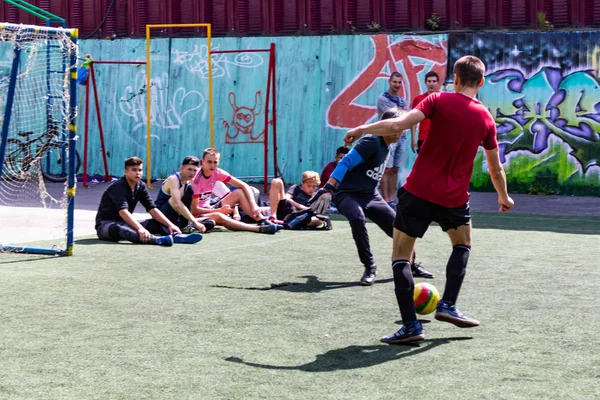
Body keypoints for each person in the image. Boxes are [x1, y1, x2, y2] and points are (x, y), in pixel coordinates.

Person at [343, 56, 514, 343]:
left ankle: (411, 327)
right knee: (462, 245)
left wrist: (362, 129)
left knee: (401, 256)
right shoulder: (486, 118)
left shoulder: (437, 100)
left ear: (455, 79)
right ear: (481, 82)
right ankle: (448, 305)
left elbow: (397, 124)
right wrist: (504, 196)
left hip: (418, 192)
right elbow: (495, 168)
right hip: (454, 198)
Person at [310, 107, 433, 286]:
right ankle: (370, 266)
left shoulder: (389, 145)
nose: (400, 131)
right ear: (385, 126)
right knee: (357, 218)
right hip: (347, 194)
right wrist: (329, 187)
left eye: (402, 128)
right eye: (396, 127)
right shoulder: (371, 142)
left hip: (370, 196)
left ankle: (411, 264)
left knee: (401, 229)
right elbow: (345, 162)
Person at [95, 156, 203, 246]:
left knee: (156, 223)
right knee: (123, 229)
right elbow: (123, 212)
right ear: (125, 172)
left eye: (140, 170)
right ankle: (157, 240)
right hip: (105, 225)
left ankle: (176, 236)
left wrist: (170, 224)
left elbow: (152, 208)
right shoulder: (118, 186)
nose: (138, 173)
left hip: (125, 222)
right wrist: (140, 228)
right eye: (134, 170)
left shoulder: (140, 186)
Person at [190, 148, 281, 234]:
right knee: (219, 216)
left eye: (215, 162)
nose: (212, 165)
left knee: (239, 193)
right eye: (209, 162)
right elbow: (194, 211)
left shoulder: (217, 172)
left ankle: (262, 221)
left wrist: (254, 206)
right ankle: (257, 229)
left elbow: (243, 185)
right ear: (202, 162)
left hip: (210, 208)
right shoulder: (196, 180)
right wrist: (220, 210)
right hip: (196, 216)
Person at [154, 156, 215, 233]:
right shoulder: (174, 179)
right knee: (178, 198)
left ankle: (184, 228)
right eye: (189, 169)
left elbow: (191, 207)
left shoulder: (190, 182)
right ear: (181, 168)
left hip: (177, 217)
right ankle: (181, 228)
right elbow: (177, 204)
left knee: (210, 222)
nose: (192, 173)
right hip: (162, 216)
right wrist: (194, 222)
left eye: (194, 170)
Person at [377, 72, 411, 208]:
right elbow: (396, 117)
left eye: (399, 82)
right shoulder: (382, 99)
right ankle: (385, 200)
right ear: (389, 82)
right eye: (395, 82)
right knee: (386, 169)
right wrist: (405, 113)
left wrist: (405, 113)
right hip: (388, 138)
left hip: (401, 137)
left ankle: (391, 199)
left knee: (395, 169)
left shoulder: (402, 100)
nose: (397, 85)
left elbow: (406, 115)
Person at [410, 71, 440, 153]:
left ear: (437, 83)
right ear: (425, 83)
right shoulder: (418, 99)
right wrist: (413, 139)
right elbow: (413, 121)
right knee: (423, 165)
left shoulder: (443, 99)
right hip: (423, 138)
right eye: (429, 81)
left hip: (439, 140)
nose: (431, 83)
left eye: (434, 81)